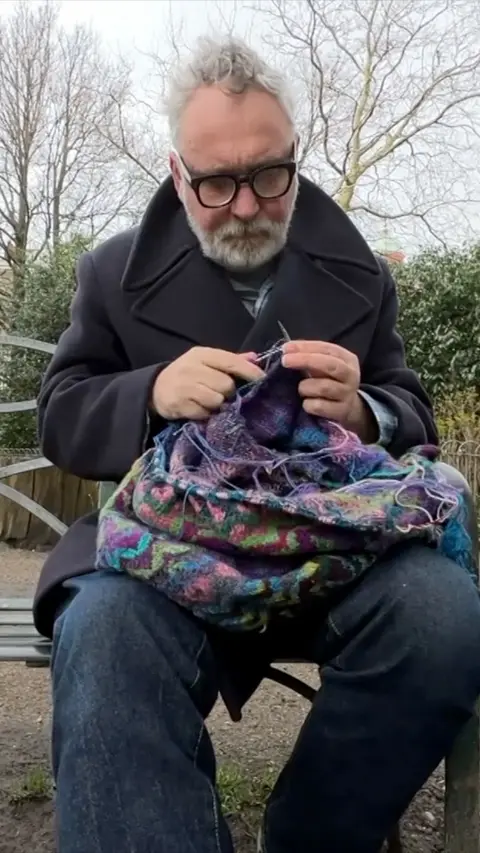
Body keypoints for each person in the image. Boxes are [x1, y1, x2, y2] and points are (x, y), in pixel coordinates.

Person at [34, 36, 480, 853]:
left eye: (268, 174)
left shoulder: (363, 274)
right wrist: (151, 391)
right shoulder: (110, 273)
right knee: (99, 631)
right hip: (163, 561)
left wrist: (367, 410)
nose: (245, 206)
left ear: (296, 160)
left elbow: (413, 410)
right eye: (215, 183)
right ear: (178, 174)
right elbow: (60, 413)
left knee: (442, 612)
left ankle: (310, 834)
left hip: (335, 556)